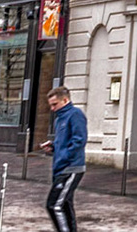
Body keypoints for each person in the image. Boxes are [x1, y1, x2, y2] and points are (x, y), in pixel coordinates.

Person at [38, 86, 87, 232]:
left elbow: (79, 140)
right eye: (51, 105)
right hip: (61, 167)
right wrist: (53, 147)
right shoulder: (60, 119)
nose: (52, 108)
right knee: (65, 204)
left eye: (55, 104)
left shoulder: (75, 114)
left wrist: (65, 156)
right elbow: (65, 141)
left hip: (71, 167)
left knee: (54, 205)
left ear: (65, 100)